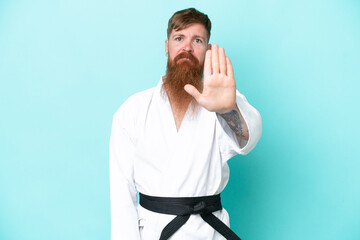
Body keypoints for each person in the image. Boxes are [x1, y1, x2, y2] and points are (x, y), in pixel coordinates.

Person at [109, 8, 262, 240]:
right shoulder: (133, 110)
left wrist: (227, 110)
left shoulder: (222, 102)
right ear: (166, 46)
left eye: (197, 40)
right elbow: (122, 198)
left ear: (208, 51)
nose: (187, 47)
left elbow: (249, 138)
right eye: (179, 38)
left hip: (209, 232)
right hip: (154, 232)